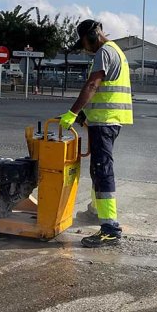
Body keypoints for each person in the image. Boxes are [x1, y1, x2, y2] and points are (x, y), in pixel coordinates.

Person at [59, 19, 133, 248]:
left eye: (83, 43)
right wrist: (85, 115)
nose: (84, 48)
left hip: (105, 122)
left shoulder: (104, 52)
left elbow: (92, 85)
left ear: (91, 36)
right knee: (98, 168)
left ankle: (110, 228)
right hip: (106, 120)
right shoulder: (116, 51)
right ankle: (94, 211)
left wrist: (72, 113)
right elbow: (102, 91)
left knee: (102, 170)